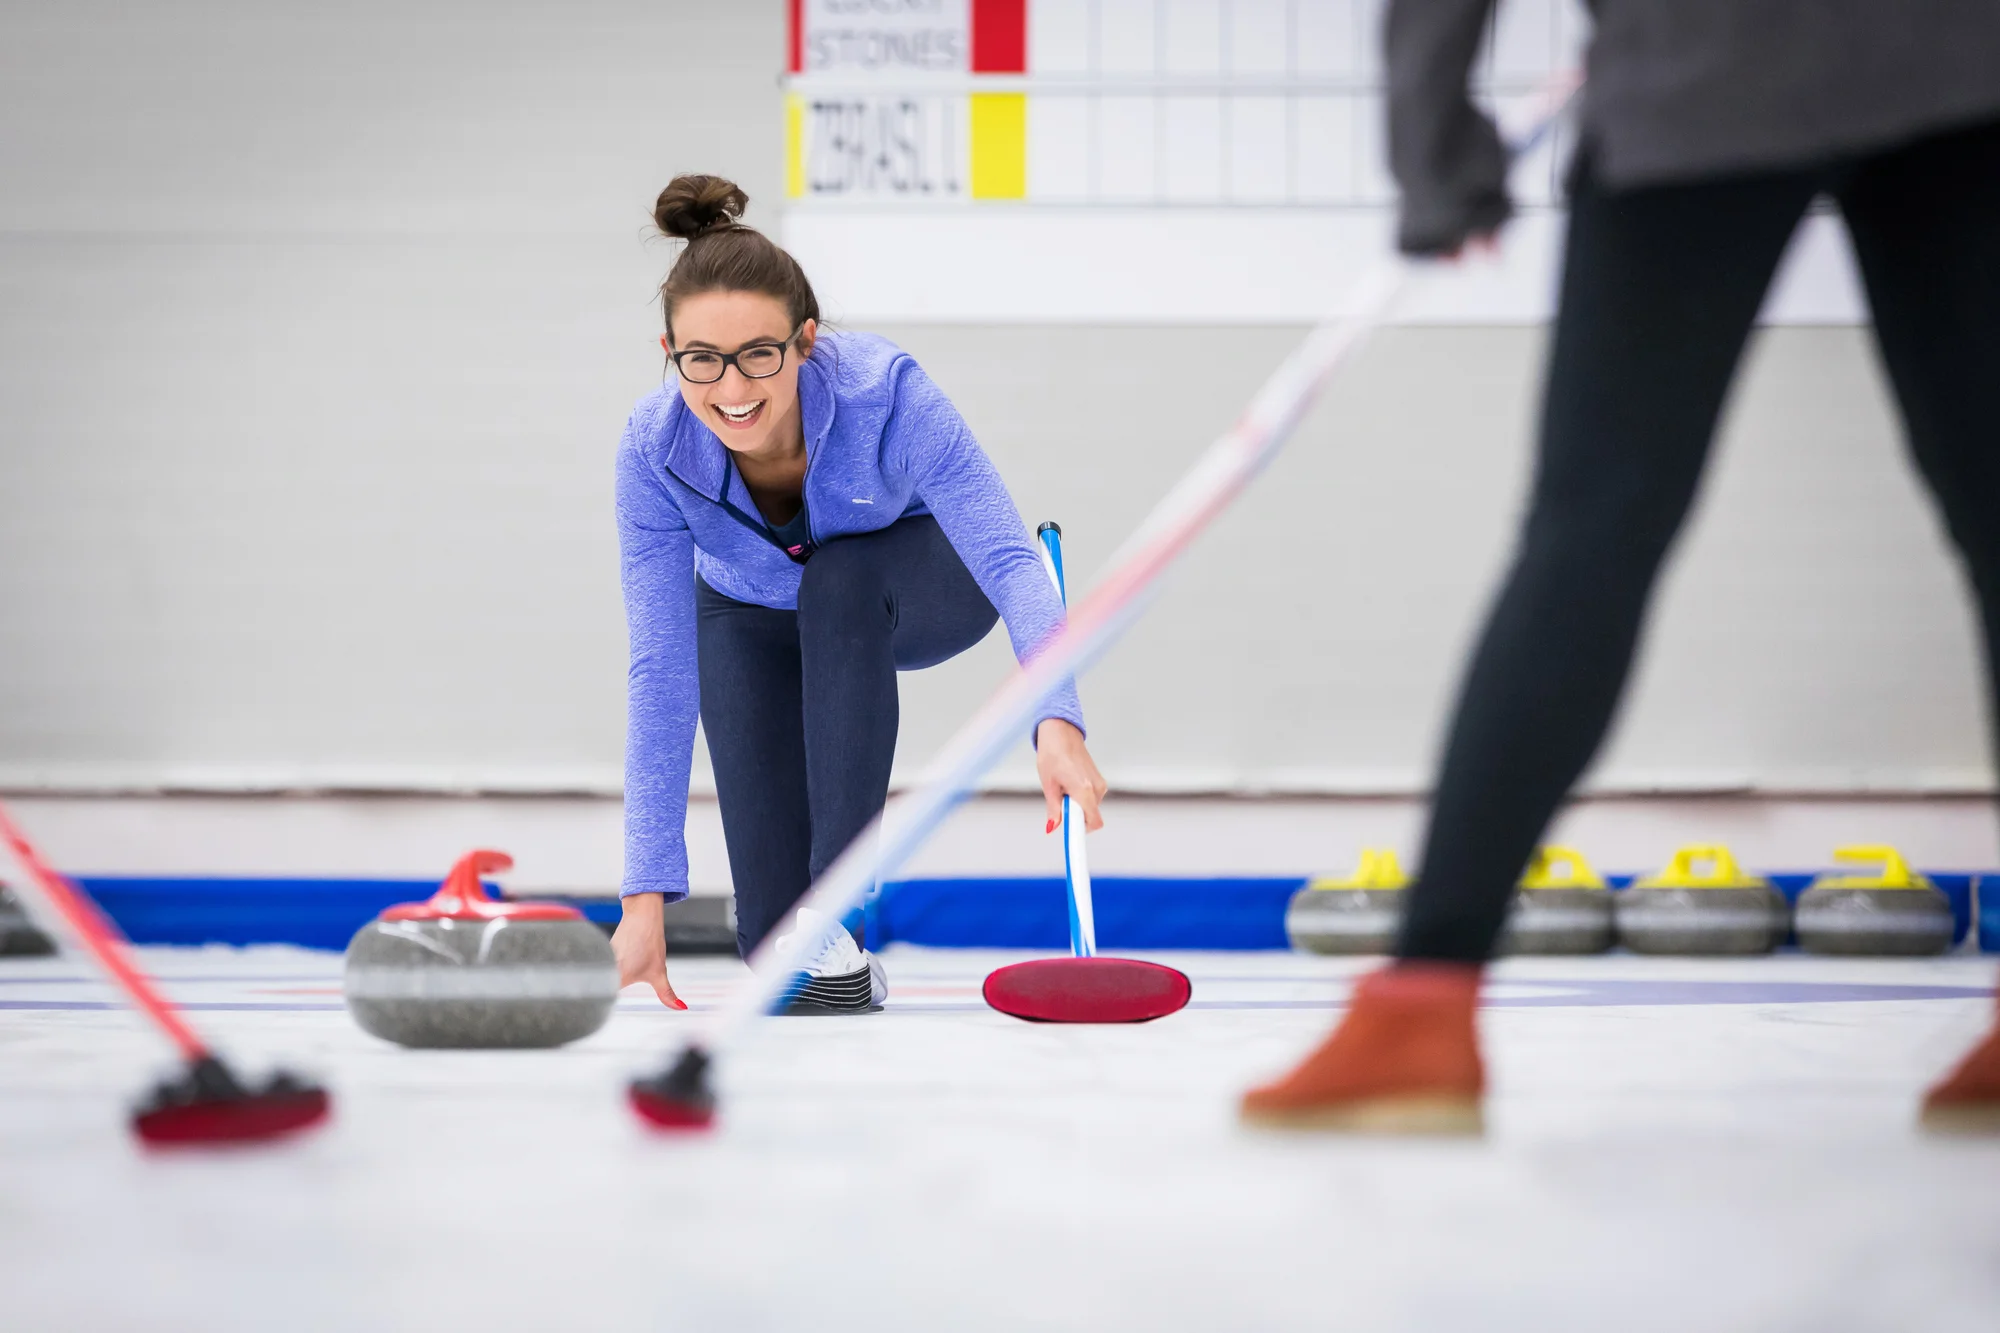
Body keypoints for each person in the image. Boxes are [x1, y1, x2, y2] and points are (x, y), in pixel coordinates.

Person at [1243, 1, 2000, 1132]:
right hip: (1950, 68)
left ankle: (1421, 1006)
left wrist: (1433, 145)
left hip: (1704, 75)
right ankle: (1419, 1007)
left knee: (1592, 528)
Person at [610, 175, 1106, 1014]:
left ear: (805, 342)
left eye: (760, 355)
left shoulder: (888, 395)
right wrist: (642, 899)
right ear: (670, 355)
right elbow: (661, 671)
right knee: (780, 954)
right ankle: (834, 952)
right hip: (753, 610)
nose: (733, 390)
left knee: (839, 579)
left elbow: (1010, 563)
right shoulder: (652, 451)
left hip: (915, 585)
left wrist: (1055, 720)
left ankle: (835, 906)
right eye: (703, 361)